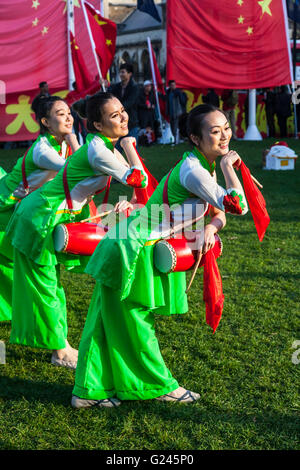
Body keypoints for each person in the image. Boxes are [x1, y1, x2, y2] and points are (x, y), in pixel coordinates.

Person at [71, 103, 248, 409]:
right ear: (195, 137)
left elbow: (220, 211)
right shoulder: (195, 170)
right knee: (135, 320)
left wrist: (212, 227)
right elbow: (237, 204)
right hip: (132, 245)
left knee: (108, 318)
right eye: (214, 131)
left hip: (128, 239)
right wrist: (228, 167)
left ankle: (88, 392)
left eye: (226, 129)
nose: (224, 137)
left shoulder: (194, 165)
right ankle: (156, 386)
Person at [6, 92, 149, 369]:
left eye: (122, 111)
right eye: (114, 115)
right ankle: (60, 350)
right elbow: (137, 178)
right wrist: (130, 146)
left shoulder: (103, 145)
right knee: (46, 285)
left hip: (49, 213)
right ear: (97, 124)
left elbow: (133, 187)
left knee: (51, 284)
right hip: (40, 215)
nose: (123, 117)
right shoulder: (98, 150)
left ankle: (59, 345)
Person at [0, 96, 79, 322]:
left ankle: (14, 312)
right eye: (61, 113)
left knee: (10, 262)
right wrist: (74, 139)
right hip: (4, 203)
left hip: (19, 204)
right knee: (13, 261)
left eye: (69, 112)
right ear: (46, 122)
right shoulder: (44, 149)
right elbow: (77, 170)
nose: (68, 118)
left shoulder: (59, 142)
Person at [109, 63, 140, 144]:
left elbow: (130, 102)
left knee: (132, 149)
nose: (121, 74)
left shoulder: (134, 87)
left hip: (131, 123)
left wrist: (115, 109)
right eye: (120, 72)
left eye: (123, 72)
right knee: (116, 150)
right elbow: (110, 97)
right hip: (118, 124)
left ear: (130, 74)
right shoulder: (116, 87)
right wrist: (105, 85)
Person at [165, 80, 187, 144]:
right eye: (172, 85)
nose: (173, 86)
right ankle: (176, 139)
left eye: (174, 85)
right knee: (172, 126)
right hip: (171, 113)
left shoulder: (178, 92)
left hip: (177, 113)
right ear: (169, 86)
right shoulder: (168, 92)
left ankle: (176, 140)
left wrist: (180, 94)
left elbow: (183, 102)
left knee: (176, 127)